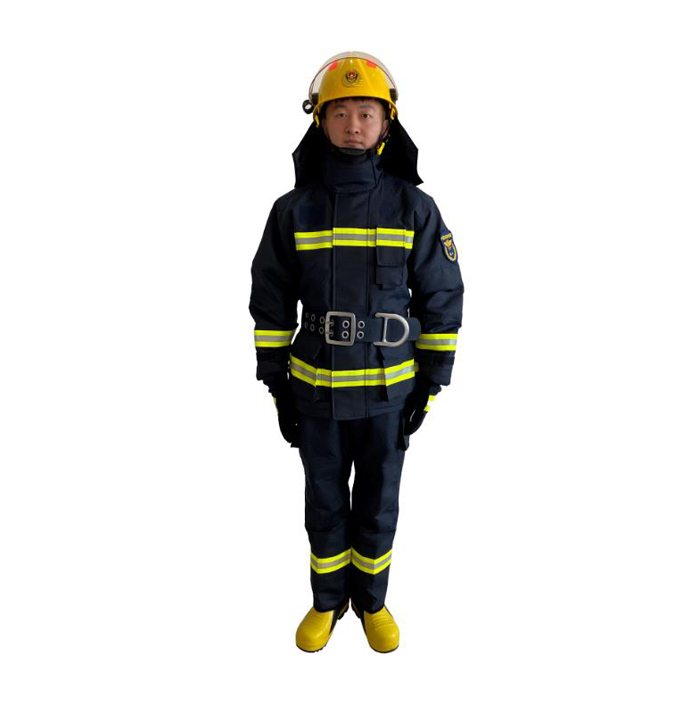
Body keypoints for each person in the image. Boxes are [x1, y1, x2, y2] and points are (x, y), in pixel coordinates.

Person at [249, 51, 463, 653]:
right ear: (319, 120)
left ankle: (372, 602)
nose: (353, 125)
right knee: (323, 504)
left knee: (377, 505)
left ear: (387, 122)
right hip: (314, 393)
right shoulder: (292, 211)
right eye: (340, 113)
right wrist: (276, 383)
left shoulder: (414, 208)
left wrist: (431, 382)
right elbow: (270, 298)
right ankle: (326, 602)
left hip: (388, 394)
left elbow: (443, 295)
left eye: (366, 113)